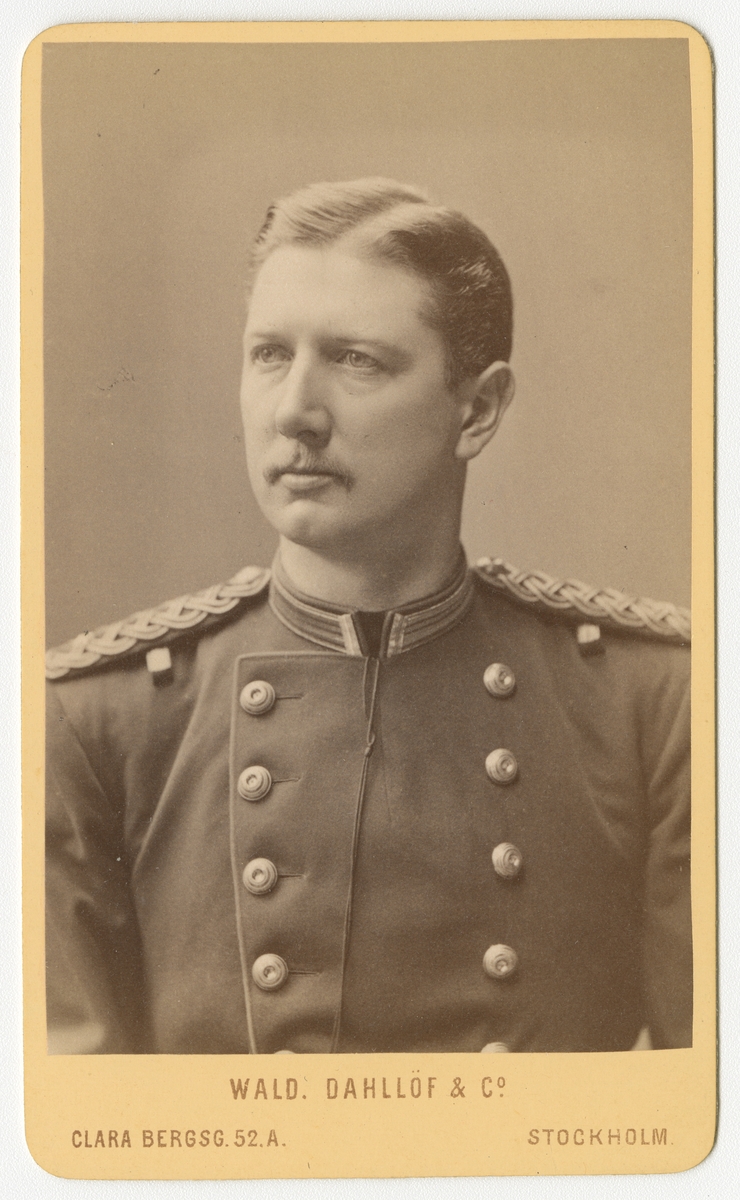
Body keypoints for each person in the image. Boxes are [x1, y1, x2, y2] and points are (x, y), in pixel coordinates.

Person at [45, 178, 691, 1056]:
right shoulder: (96, 722)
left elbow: (701, 1103)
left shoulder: (653, 704)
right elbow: (76, 1123)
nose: (294, 413)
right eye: (270, 355)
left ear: (478, 410)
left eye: (356, 360)